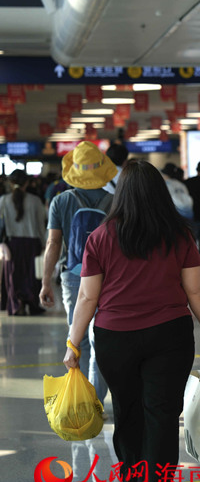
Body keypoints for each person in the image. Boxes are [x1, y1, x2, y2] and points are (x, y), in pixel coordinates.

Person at [62, 159, 200, 482]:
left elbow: (87, 297)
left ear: (121, 193)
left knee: (128, 406)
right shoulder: (179, 234)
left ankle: (134, 478)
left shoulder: (100, 236)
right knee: (162, 412)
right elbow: (195, 291)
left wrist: (73, 343)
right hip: (170, 335)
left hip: (115, 338)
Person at [40, 141, 115, 409]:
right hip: (109, 278)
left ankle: (82, 404)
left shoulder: (60, 202)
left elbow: (53, 244)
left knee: (78, 338)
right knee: (102, 338)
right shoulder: (114, 202)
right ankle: (96, 399)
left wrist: (46, 281)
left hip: (73, 276)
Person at [0, 169, 47, 315]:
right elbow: (41, 226)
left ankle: (16, 304)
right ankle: (33, 305)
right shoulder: (35, 201)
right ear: (27, 182)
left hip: (12, 244)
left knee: (14, 276)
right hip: (32, 244)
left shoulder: (3, 200)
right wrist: (45, 244)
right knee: (32, 277)